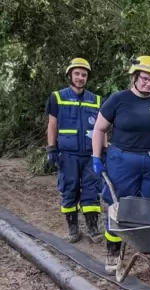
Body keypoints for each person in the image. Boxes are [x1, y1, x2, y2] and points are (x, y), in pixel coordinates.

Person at [91, 56, 150, 273]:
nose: (149, 83)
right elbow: (99, 129)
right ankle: (113, 250)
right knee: (120, 207)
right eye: (145, 78)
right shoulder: (118, 100)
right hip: (123, 162)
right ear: (135, 77)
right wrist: (96, 156)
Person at [46, 57, 104, 243]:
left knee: (91, 190)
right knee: (69, 189)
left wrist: (104, 150)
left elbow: (101, 128)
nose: (80, 77)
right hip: (68, 154)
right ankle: (73, 228)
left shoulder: (96, 101)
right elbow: (52, 125)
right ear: (70, 75)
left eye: (84, 75)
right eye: (77, 74)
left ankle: (92, 227)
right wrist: (52, 148)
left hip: (89, 155)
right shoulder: (57, 97)